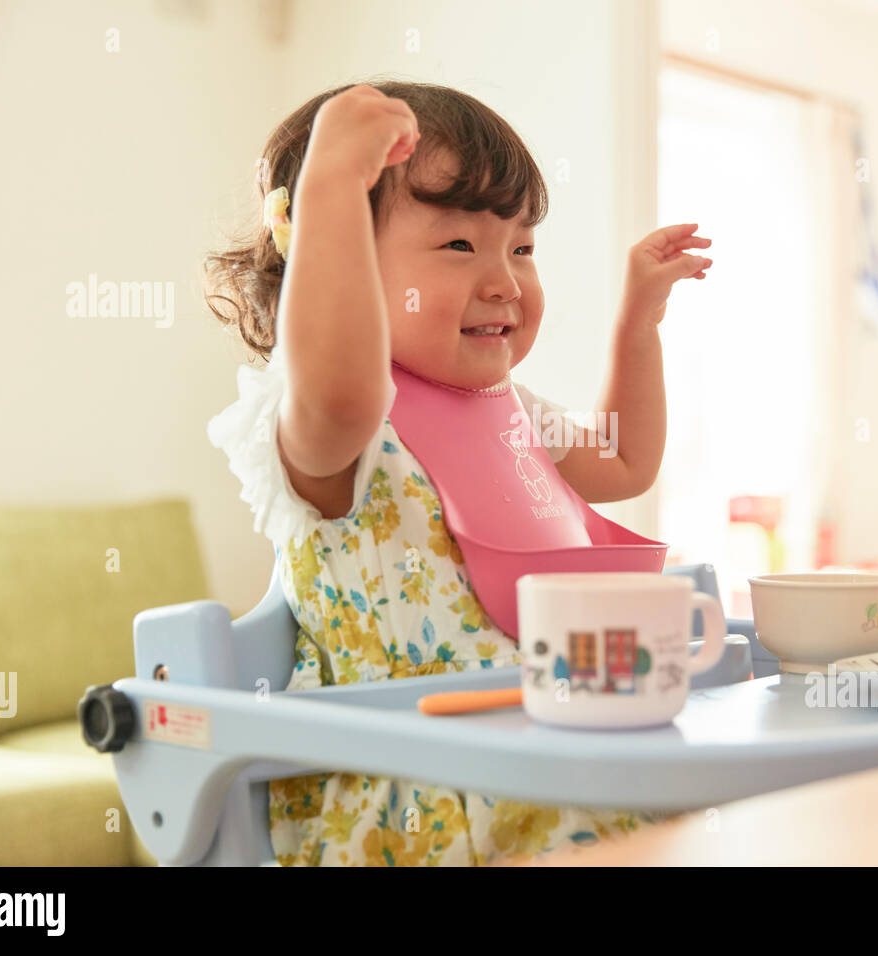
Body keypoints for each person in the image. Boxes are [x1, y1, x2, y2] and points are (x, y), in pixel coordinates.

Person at [202, 80, 713, 866]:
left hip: (541, 749)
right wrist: (332, 183)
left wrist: (637, 323)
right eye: (458, 245)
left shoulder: (510, 409)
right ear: (334, 260)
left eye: (522, 246)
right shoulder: (332, 422)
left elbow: (622, 461)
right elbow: (342, 390)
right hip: (418, 786)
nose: (506, 278)